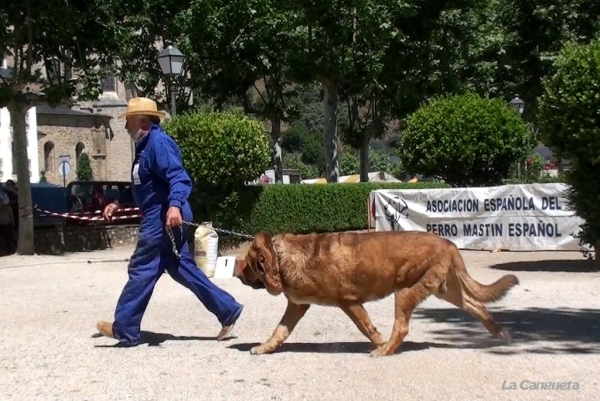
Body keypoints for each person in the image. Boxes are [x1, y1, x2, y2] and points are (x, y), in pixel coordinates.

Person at [95, 97, 244, 346]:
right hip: (165, 214)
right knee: (182, 269)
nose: (125, 127)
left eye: (128, 121)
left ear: (143, 121)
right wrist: (118, 202)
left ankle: (125, 328)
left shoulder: (159, 144)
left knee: (142, 267)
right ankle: (228, 310)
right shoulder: (146, 147)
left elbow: (180, 178)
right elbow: (145, 185)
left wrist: (174, 206)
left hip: (163, 216)